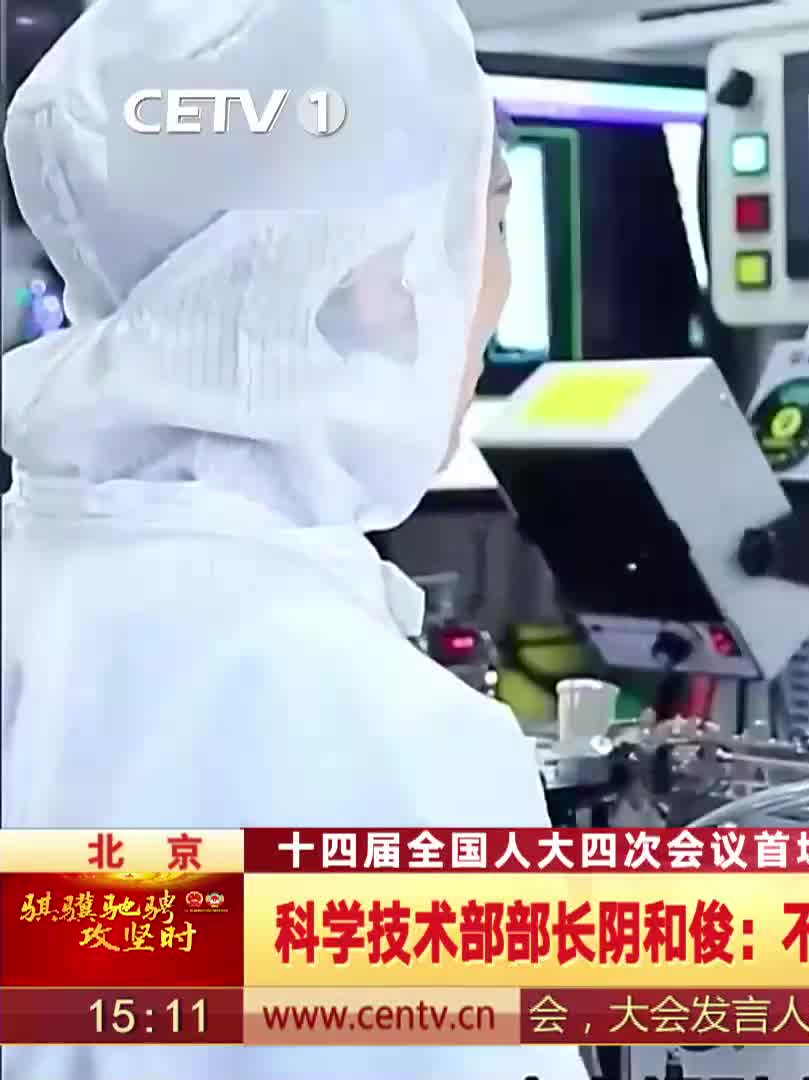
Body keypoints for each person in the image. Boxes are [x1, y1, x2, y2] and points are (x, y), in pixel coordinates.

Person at [0, 2, 586, 1078]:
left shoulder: (37, 577)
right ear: (375, 273)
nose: (491, 299)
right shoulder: (378, 728)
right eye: (489, 223)